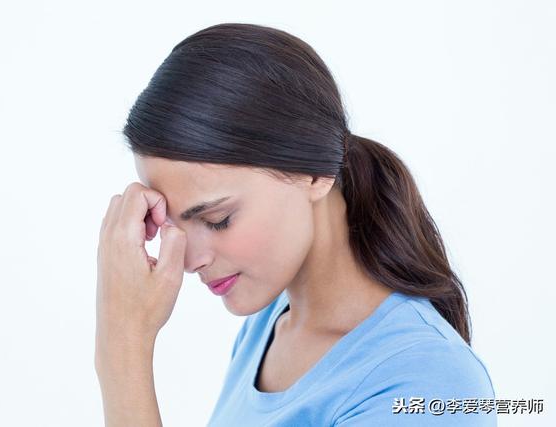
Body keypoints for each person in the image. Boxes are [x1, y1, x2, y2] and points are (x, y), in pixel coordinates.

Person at [95, 23, 497, 426]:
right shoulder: (270, 324)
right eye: (172, 224)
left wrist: (123, 345)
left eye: (218, 220)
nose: (190, 261)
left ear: (313, 174)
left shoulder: (426, 383)